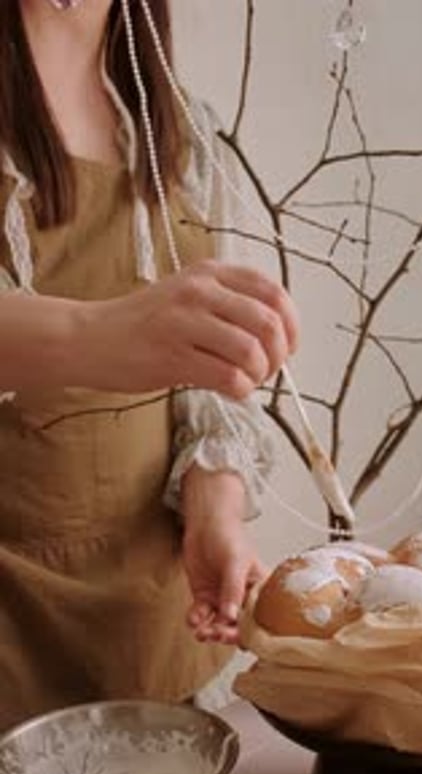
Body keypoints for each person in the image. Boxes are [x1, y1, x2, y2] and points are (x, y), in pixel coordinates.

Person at [0, 0, 298, 730]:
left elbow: (208, 383)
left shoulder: (184, 135)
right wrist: (98, 333)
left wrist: (213, 507)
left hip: (156, 632)